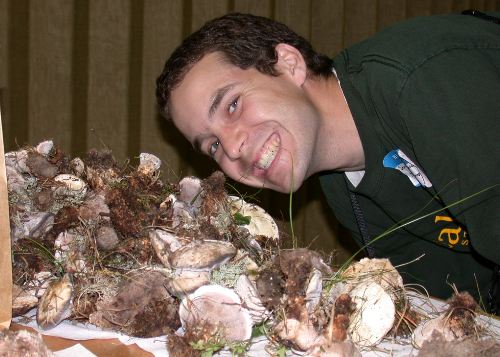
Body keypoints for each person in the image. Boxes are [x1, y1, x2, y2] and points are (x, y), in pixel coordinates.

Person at [156, 11, 500, 313]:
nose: (232, 149)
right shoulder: (344, 183)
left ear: (289, 64)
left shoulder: (421, 80)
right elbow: (445, 302)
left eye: (232, 105)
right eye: (212, 145)